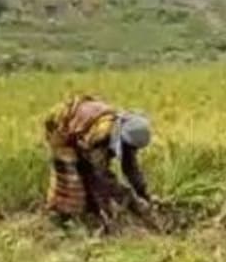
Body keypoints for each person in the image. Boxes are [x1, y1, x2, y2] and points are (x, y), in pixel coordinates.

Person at [44, 95, 154, 229]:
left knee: (90, 175)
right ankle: (63, 219)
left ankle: (92, 214)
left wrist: (143, 194)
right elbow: (100, 174)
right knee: (72, 179)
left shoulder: (126, 136)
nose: (131, 151)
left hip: (83, 135)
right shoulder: (102, 134)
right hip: (62, 128)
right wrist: (131, 199)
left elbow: (130, 167)